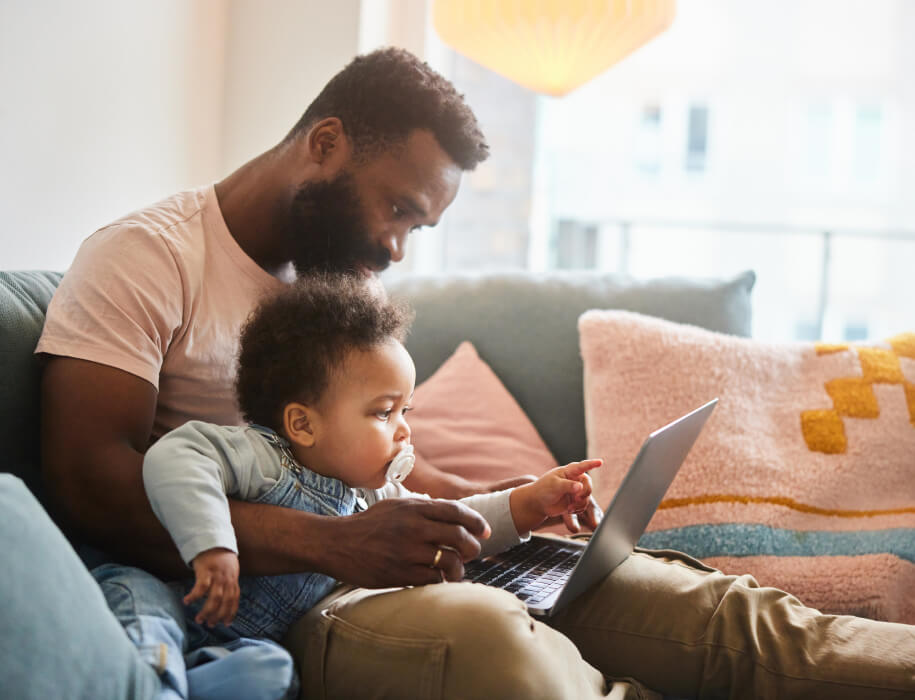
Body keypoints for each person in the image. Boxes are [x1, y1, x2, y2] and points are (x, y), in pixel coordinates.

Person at [35, 47, 915, 698]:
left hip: (394, 565)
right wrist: (334, 544)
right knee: (502, 642)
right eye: (399, 210)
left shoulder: (332, 282)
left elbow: (389, 471)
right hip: (287, 605)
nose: (394, 245)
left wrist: (512, 501)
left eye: (416, 228)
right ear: (327, 143)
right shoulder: (148, 257)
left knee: (722, 615)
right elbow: (90, 483)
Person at [95, 273, 602, 699]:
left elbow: (453, 524)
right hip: (165, 597)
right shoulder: (264, 457)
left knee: (272, 673)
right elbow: (176, 455)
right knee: (147, 624)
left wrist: (528, 503)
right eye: (384, 412)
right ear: (303, 425)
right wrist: (212, 545)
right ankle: (147, 680)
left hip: (235, 639)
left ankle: (182, 681)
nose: (404, 430)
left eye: (406, 411)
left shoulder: (375, 497)